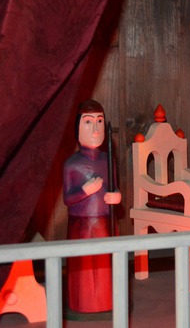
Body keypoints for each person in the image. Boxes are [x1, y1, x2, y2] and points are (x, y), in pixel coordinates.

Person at [63, 99, 121, 314]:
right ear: (77, 126)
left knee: (107, 265)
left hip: (105, 223)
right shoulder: (71, 165)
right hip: (81, 226)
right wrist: (84, 191)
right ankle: (84, 304)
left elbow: (114, 186)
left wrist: (116, 196)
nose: (95, 129)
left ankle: (108, 302)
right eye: (88, 122)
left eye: (99, 121)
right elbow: (67, 199)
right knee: (84, 268)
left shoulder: (108, 160)